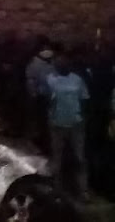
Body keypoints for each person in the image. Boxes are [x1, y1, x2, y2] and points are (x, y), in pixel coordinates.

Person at [47, 53, 90, 200]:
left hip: (71, 123)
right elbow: (84, 99)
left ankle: (81, 190)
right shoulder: (53, 80)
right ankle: (58, 188)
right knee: (61, 157)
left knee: (76, 157)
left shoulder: (74, 79)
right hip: (60, 123)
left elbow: (84, 99)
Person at [25, 37, 56, 152]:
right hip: (41, 97)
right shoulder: (34, 63)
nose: (47, 50)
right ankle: (43, 143)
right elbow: (31, 81)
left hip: (53, 97)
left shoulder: (53, 61)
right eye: (44, 48)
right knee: (42, 121)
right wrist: (33, 94)